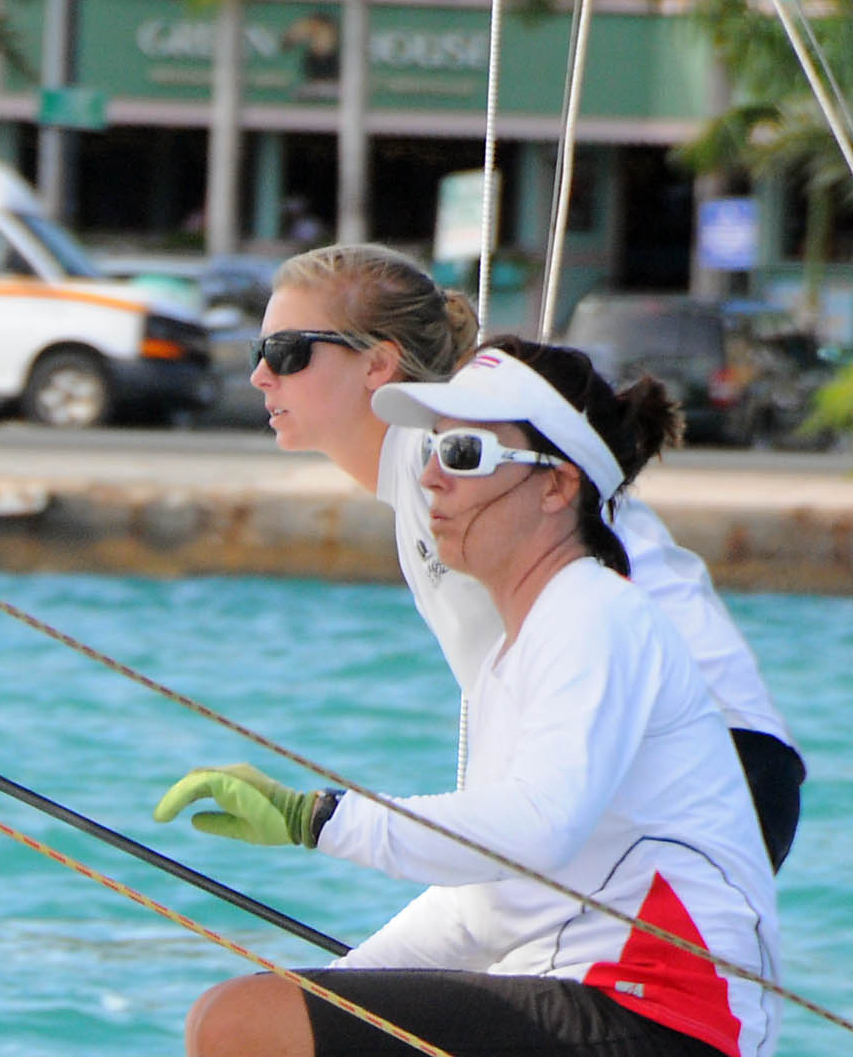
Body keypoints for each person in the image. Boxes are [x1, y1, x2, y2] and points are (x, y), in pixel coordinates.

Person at [155, 341, 780, 1057]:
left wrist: (320, 818)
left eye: (462, 452)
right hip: (620, 1027)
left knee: (239, 1025)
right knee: (239, 1027)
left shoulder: (594, 613)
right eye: (430, 450)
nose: (428, 478)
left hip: (664, 1034)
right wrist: (287, 1018)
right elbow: (484, 907)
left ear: (557, 485)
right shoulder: (523, 648)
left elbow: (537, 826)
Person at [251, 243, 804, 869]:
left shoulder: (449, 456)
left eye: (286, 353)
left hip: (702, 766)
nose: (260, 375)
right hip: (700, 763)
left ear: (378, 364)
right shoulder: (434, 467)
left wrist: (325, 822)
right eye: (260, 352)